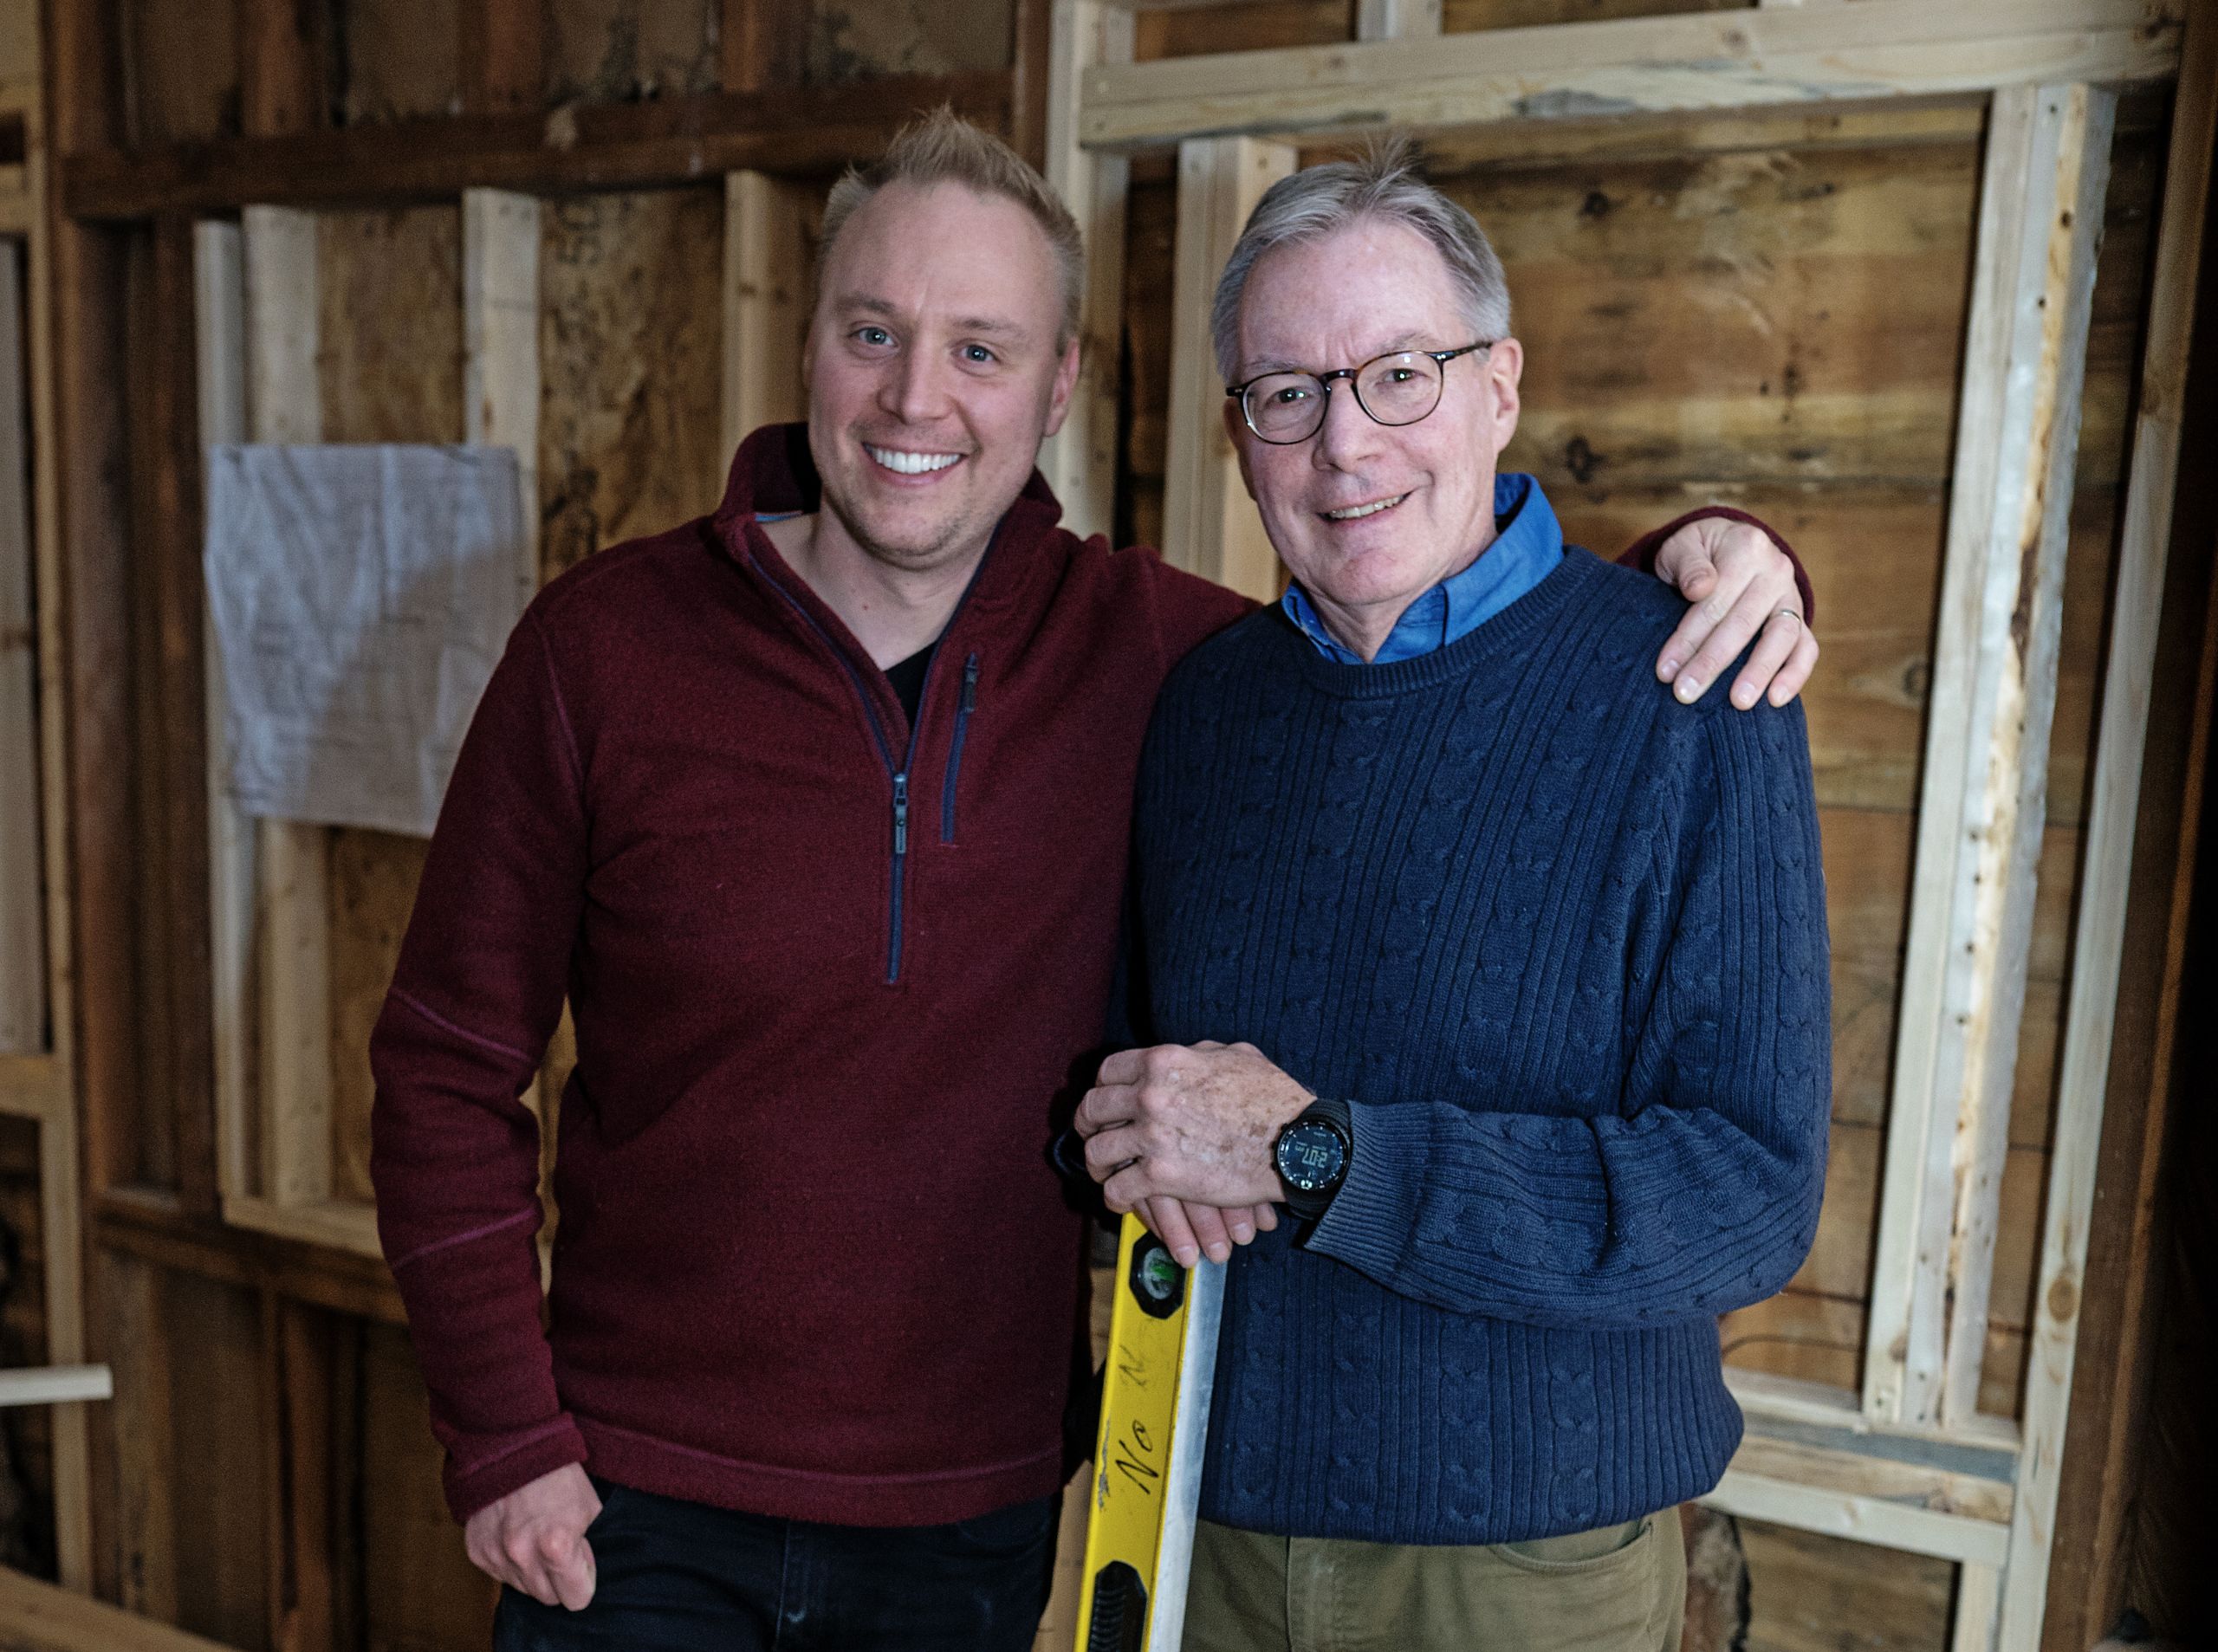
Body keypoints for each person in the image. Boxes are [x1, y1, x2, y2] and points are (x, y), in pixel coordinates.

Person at [369, 113, 1819, 1652]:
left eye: (983, 350)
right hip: (735, 1522)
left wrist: (1719, 560)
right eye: (874, 333)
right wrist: (503, 1435)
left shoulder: (1235, 667)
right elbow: (447, 1066)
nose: (1344, 441)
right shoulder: (635, 652)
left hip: (1133, 1546)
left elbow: (1743, 1178)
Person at [1074, 148, 1831, 1652]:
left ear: (1501, 387)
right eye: (1285, 392)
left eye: (1401, 374)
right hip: (1201, 1536)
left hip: (1522, 1573)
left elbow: (1748, 1189)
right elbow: (1130, 1081)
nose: (1344, 445)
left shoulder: (1691, 689)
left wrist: (1320, 1153)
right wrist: (1116, 1134)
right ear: (1240, 436)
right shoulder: (1202, 709)